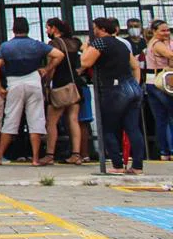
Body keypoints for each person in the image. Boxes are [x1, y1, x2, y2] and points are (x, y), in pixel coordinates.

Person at [0, 17, 63, 166]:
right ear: (27, 28)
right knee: (36, 120)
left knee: (10, 120)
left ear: (13, 29)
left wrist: (0, 87)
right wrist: (46, 69)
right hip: (34, 81)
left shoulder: (6, 47)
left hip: (14, 82)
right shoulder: (36, 45)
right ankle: (35, 159)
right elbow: (59, 55)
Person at [79, 17, 145, 174]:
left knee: (108, 128)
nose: (93, 31)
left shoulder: (100, 43)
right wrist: (135, 84)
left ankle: (116, 165)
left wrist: (86, 47)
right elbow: (135, 66)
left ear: (101, 29)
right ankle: (137, 166)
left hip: (113, 88)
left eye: (94, 28)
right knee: (133, 128)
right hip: (131, 87)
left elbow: (85, 62)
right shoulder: (122, 44)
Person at [45, 18, 84, 165]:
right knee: (73, 119)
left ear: (54, 29)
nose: (47, 31)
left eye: (48, 28)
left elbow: (52, 66)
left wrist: (47, 82)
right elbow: (82, 62)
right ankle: (76, 154)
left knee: (52, 121)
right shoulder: (75, 42)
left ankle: (49, 154)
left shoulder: (54, 44)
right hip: (74, 83)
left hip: (60, 84)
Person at [145, 19, 173, 161]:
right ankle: (169, 149)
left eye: (168, 30)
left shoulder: (155, 43)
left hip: (151, 82)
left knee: (161, 118)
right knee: (168, 116)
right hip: (161, 82)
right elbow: (171, 56)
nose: (166, 33)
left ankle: (165, 151)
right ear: (154, 32)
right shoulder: (157, 44)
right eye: (162, 30)